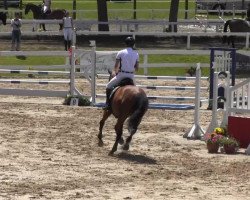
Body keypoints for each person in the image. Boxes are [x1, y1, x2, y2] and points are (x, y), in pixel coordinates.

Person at [104, 36, 139, 110]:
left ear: (125, 44)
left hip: (122, 75)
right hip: (131, 76)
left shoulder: (120, 52)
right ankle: (137, 106)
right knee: (137, 92)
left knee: (108, 87)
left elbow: (116, 66)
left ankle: (108, 104)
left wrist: (115, 73)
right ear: (133, 44)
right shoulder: (136, 54)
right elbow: (137, 68)